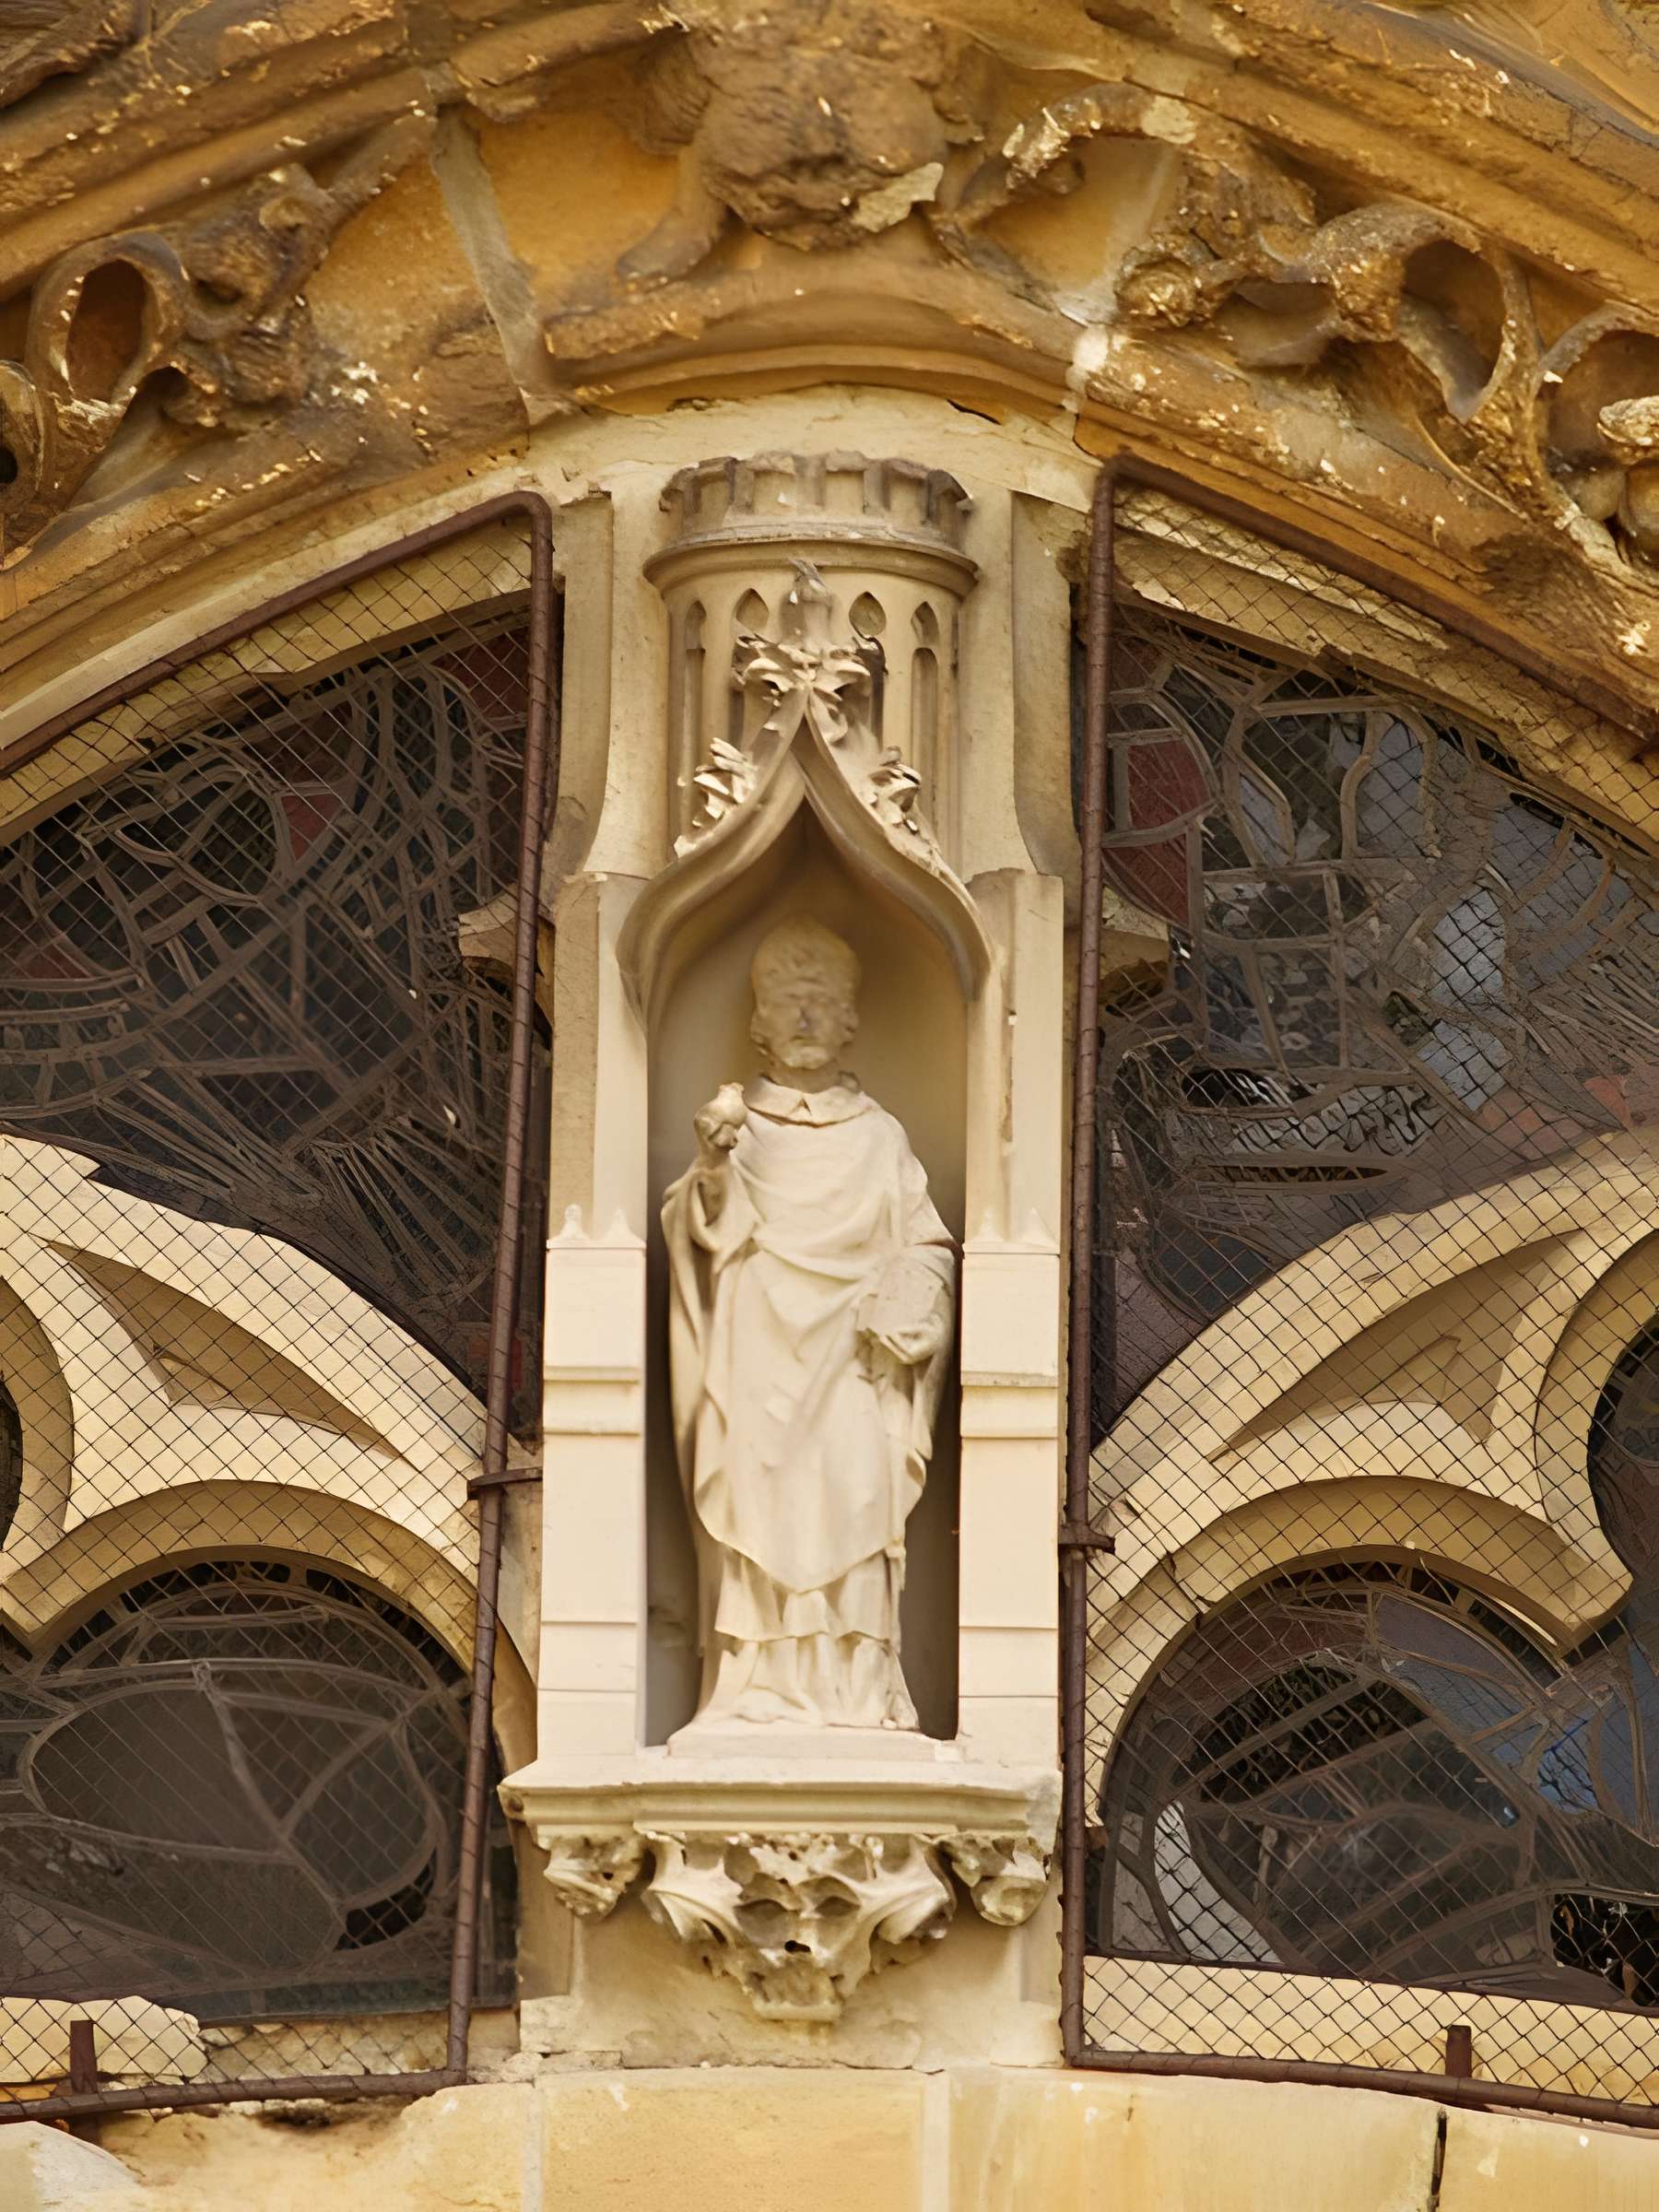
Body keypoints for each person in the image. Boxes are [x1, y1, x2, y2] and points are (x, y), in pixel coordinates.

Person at [663, 916, 955, 1731]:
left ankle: (857, 1692)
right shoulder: (735, 1129)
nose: (802, 1019)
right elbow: (697, 1232)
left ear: (850, 1019)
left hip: (854, 1361)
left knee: (856, 1501)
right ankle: (753, 1687)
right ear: (757, 1020)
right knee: (757, 1512)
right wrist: (713, 1164)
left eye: (819, 1003)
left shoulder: (880, 1137)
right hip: (757, 1353)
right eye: (786, 1002)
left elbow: (926, 1243)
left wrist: (909, 1301)